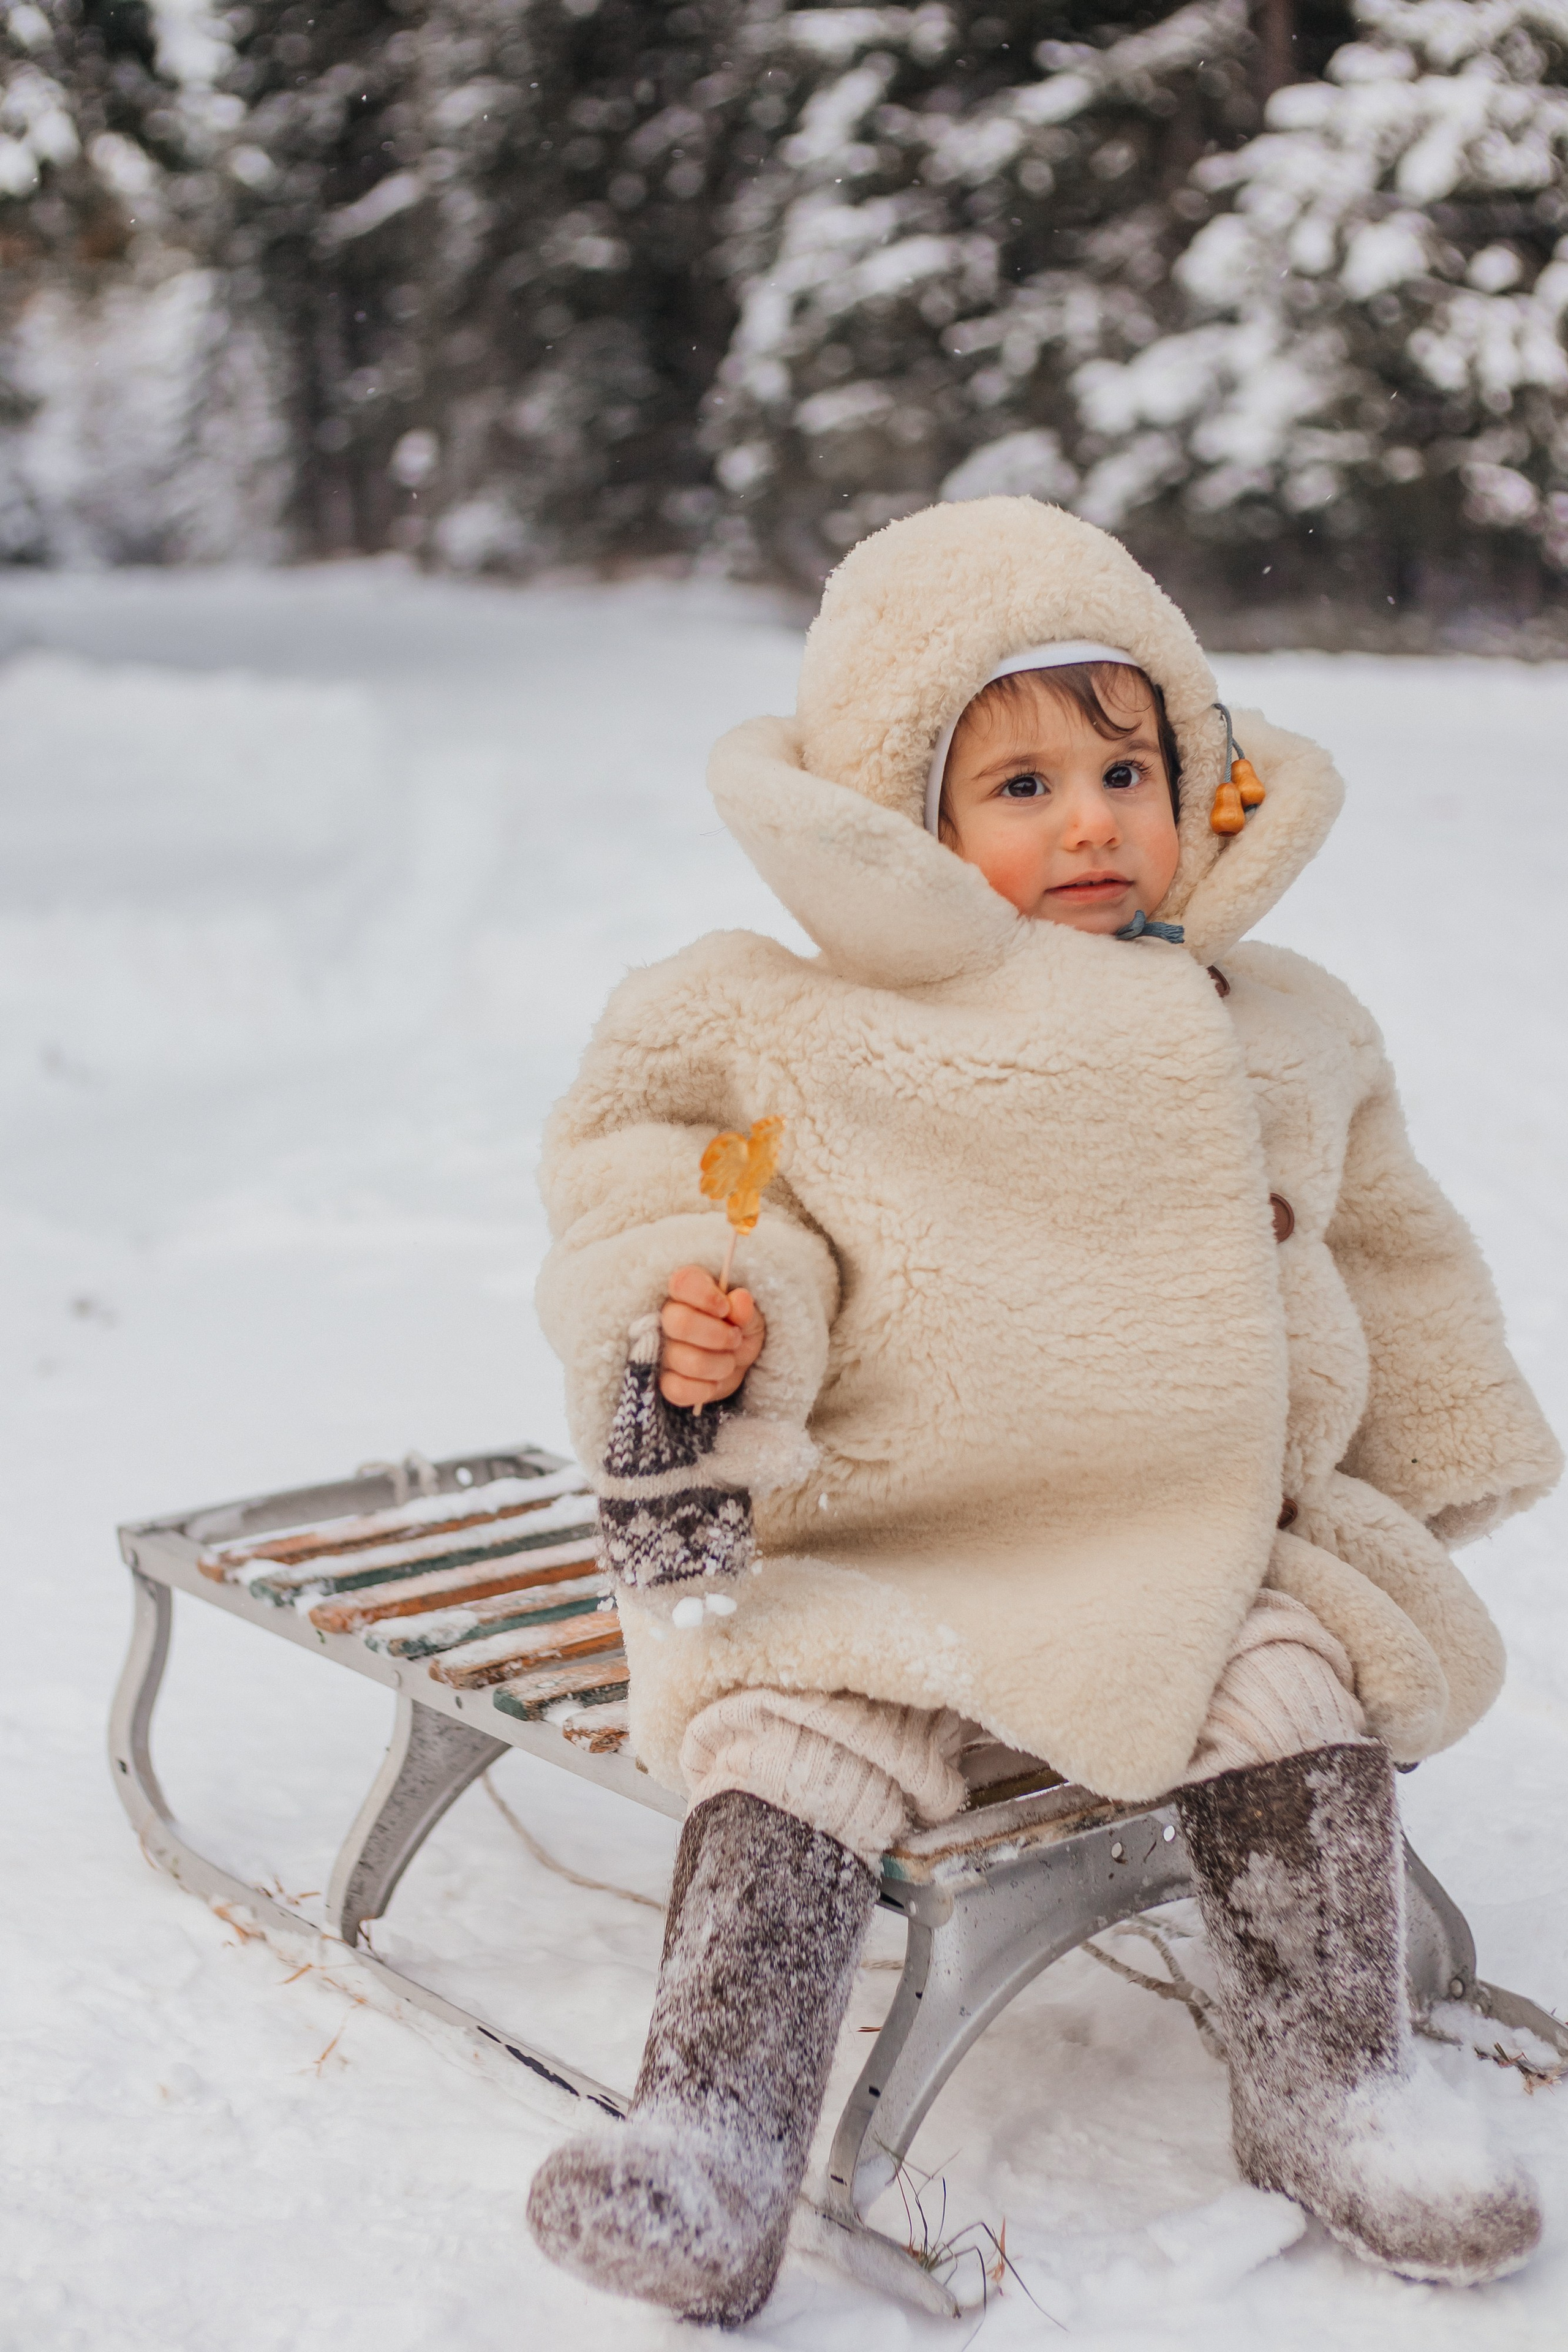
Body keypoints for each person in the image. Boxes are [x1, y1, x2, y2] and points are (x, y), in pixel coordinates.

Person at [524, 499, 1561, 2324]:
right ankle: (712, 2131)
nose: (1091, 821)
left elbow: (1390, 1243)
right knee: (792, 1739)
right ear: (899, 818)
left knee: (1293, 1685)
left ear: (1195, 779)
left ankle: (1335, 2084)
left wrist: (1441, 1440)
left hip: (1192, 1532)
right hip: (892, 1526)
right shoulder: (802, 1027)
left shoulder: (1278, 1020)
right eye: (1020, 786)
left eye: (1125, 769)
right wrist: (707, 1311)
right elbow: (674, 1188)